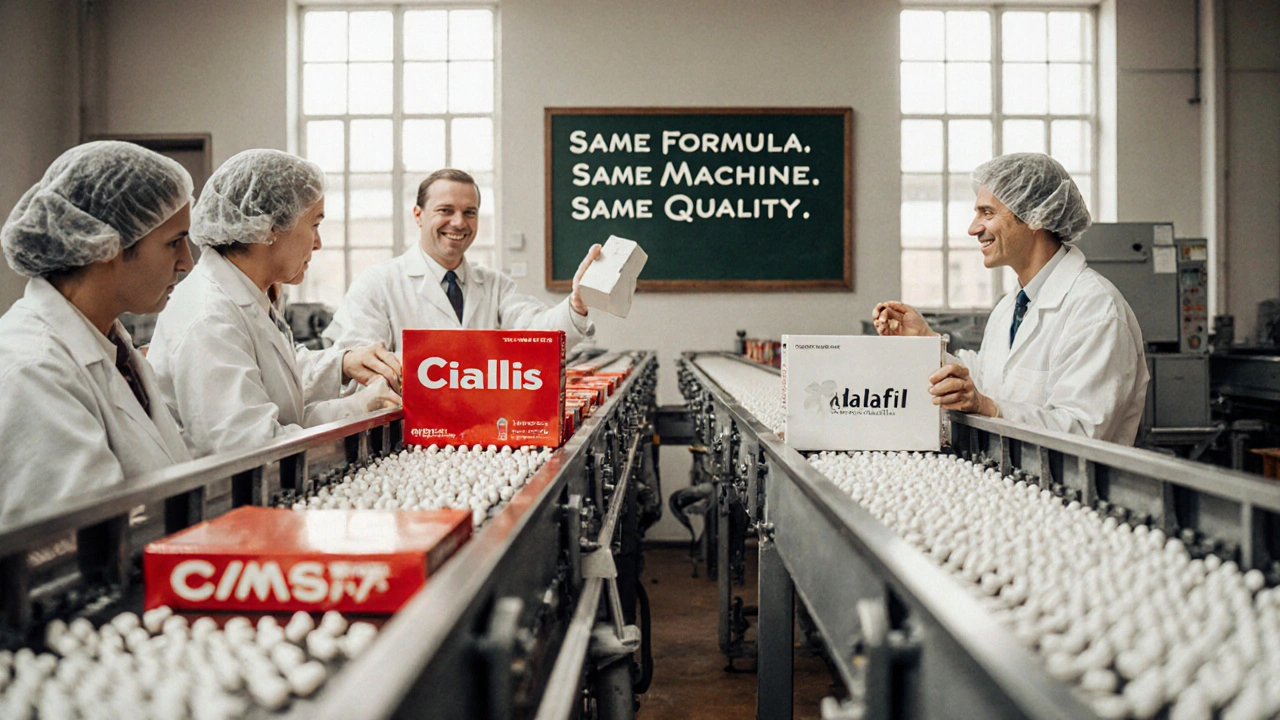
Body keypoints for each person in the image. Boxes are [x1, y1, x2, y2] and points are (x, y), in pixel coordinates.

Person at [874, 153, 1149, 445]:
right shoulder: (1010, 306)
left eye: (987, 213)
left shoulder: (1097, 310)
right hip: (1013, 471)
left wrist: (990, 408)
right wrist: (926, 339)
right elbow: (987, 381)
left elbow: (1084, 430)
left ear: (1035, 216)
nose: (973, 228)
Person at [149, 149, 402, 457]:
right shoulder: (209, 319)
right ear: (269, 228)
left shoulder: (245, 295)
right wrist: (358, 409)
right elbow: (252, 446)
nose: (318, 243)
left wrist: (342, 365)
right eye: (314, 225)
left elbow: (273, 385)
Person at [0, 141, 194, 521]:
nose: (187, 262)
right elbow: (76, 539)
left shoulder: (112, 346)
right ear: (104, 245)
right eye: (174, 242)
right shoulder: (34, 371)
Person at [322, 168, 601, 353]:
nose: (458, 222)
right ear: (418, 215)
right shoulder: (377, 285)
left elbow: (537, 335)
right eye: (445, 210)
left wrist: (575, 305)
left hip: (484, 423)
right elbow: (357, 368)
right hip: (407, 425)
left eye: (469, 212)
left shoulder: (495, 286)